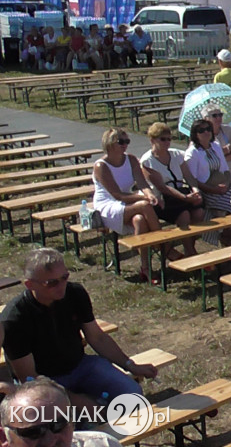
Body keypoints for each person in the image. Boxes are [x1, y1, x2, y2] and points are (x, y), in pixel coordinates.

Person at [1, 249, 158, 408]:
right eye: (51, 283)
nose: (61, 285)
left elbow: (97, 337)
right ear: (29, 284)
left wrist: (131, 365)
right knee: (71, 422)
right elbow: (29, 378)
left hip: (80, 366)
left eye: (64, 277)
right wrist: (77, 401)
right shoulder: (14, 318)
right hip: (44, 381)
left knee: (132, 394)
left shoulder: (75, 293)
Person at [91, 127, 164, 280]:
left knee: (140, 220)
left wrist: (149, 194)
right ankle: (164, 247)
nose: (125, 145)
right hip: (108, 205)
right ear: (110, 144)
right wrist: (144, 199)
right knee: (145, 206)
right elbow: (117, 195)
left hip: (127, 201)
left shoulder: (130, 159)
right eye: (121, 142)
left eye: (127, 141)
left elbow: (142, 183)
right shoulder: (101, 166)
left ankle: (145, 268)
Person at [0, 376, 127, 447]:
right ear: (4, 437)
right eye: (33, 432)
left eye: (59, 425)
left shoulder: (103, 444)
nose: (50, 441)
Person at [140, 122, 204, 260]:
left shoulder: (176, 155)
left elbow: (188, 176)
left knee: (199, 213)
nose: (167, 142)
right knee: (184, 214)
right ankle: (190, 253)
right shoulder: (147, 161)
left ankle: (189, 248)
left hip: (181, 193)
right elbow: (162, 187)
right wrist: (185, 198)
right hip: (162, 199)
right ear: (152, 140)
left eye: (169, 139)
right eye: (162, 139)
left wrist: (195, 190)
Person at [184, 118, 231, 246]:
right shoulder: (192, 153)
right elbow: (193, 180)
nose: (206, 132)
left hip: (223, 186)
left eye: (208, 129)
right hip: (207, 191)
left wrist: (227, 185)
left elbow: (226, 170)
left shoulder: (216, 146)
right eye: (201, 130)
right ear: (195, 134)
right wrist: (214, 190)